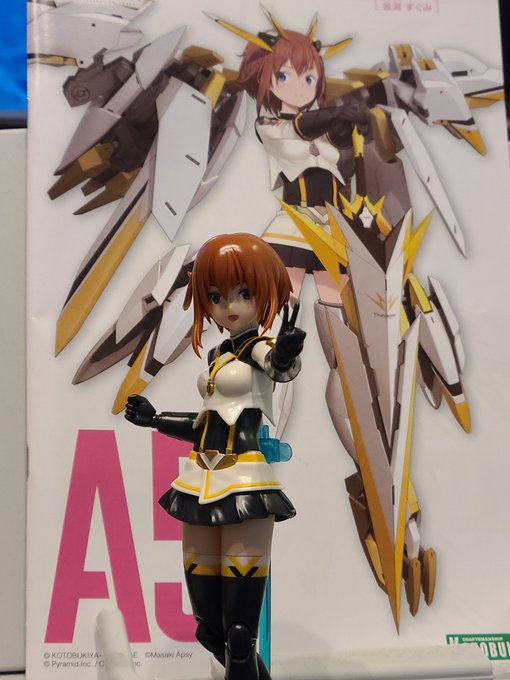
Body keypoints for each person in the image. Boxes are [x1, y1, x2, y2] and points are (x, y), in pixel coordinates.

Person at [125, 233, 305, 680]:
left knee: (240, 635)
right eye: (216, 296)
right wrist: (155, 419)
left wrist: (286, 352)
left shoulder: (258, 348)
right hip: (200, 482)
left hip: (244, 486)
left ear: (264, 293)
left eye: (244, 293)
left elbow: (279, 367)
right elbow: (206, 424)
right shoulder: (218, 355)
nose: (230, 306)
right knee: (210, 630)